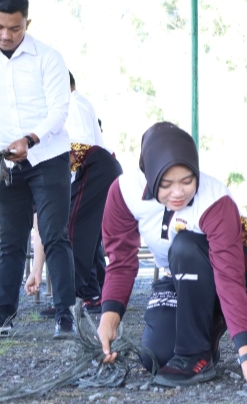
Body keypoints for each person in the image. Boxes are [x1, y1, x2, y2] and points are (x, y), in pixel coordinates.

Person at [96, 123, 247, 394]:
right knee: (156, 356)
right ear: (149, 176)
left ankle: (196, 355)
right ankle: (208, 330)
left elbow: (229, 277)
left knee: (184, 245)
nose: (178, 192)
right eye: (166, 184)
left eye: (187, 181)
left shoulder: (214, 199)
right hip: (182, 275)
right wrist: (109, 318)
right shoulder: (123, 193)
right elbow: (120, 261)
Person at [0, 0, 76, 339]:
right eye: (0, 27)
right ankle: (4, 314)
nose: (6, 35)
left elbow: (59, 111)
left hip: (47, 156)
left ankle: (65, 315)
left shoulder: (48, 58)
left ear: (27, 24)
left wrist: (29, 140)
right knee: (9, 240)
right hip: (6, 161)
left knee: (54, 233)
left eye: (14, 28)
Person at [26, 71, 122, 317]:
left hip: (93, 167)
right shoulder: (75, 106)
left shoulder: (74, 106)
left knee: (72, 230)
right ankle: (93, 294)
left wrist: (50, 175)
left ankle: (70, 298)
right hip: (98, 169)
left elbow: (78, 149)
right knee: (88, 234)